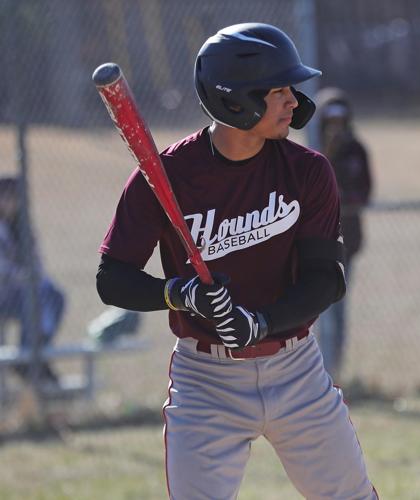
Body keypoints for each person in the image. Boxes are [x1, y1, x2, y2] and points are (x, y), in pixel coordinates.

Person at [96, 23, 377, 499]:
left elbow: (325, 279)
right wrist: (178, 294)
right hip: (206, 381)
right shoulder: (166, 176)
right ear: (235, 101)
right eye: (279, 90)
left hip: (296, 370)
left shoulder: (307, 172)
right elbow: (112, 279)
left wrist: (260, 323)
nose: (293, 100)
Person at [315, 87, 373, 382]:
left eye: (341, 117)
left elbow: (365, 190)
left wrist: (345, 198)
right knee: (310, 308)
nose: (336, 124)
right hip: (312, 243)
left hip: (345, 242)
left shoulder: (356, 150)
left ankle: (333, 370)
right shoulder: (312, 151)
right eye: (330, 118)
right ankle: (310, 371)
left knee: (337, 309)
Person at [0, 177, 65, 387]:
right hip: (5, 293)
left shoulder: (22, 227)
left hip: (23, 289)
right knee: (36, 296)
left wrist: (33, 277)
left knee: (55, 295)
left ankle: (33, 354)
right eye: (6, 197)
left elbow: (37, 262)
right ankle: (30, 360)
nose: (11, 202)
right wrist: (24, 276)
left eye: (15, 197)